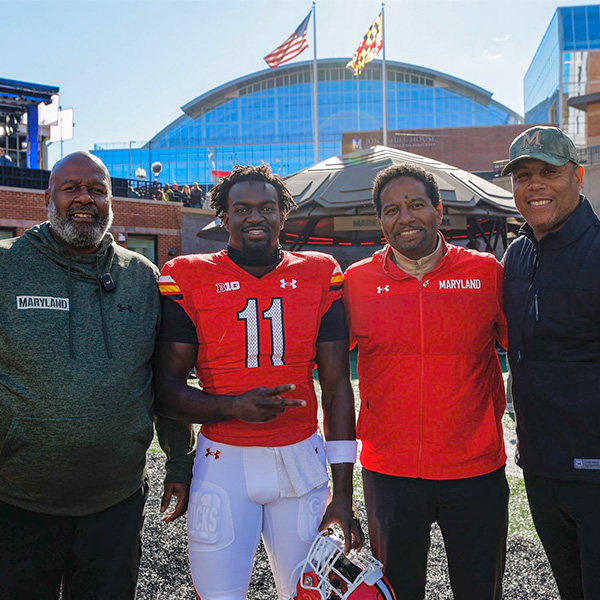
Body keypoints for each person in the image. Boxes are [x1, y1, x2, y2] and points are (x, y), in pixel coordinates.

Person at [155, 164, 363, 600]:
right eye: (242, 208)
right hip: (223, 461)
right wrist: (232, 407)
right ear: (224, 217)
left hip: (302, 462)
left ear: (283, 214)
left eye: (268, 207)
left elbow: (338, 386)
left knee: (308, 594)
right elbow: (164, 390)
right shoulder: (187, 274)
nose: (256, 216)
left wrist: (343, 493)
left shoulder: (320, 271)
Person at [0, 151, 194, 600]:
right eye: (71, 188)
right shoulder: (7, 267)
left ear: (111, 202)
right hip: (18, 503)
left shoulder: (141, 277)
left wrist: (179, 462)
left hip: (117, 503)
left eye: (97, 190)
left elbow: (165, 379)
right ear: (48, 198)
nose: (84, 198)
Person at [344, 163, 509, 600]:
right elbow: (318, 369)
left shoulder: (487, 273)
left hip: (475, 469)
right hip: (390, 472)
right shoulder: (355, 282)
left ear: (439, 211)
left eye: (416, 204)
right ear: (380, 221)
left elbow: (536, 353)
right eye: (392, 209)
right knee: (397, 593)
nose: (405, 217)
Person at [502, 126, 600, 600]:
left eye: (548, 172)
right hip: (540, 468)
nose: (534, 185)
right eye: (523, 176)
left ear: (577, 176)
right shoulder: (517, 255)